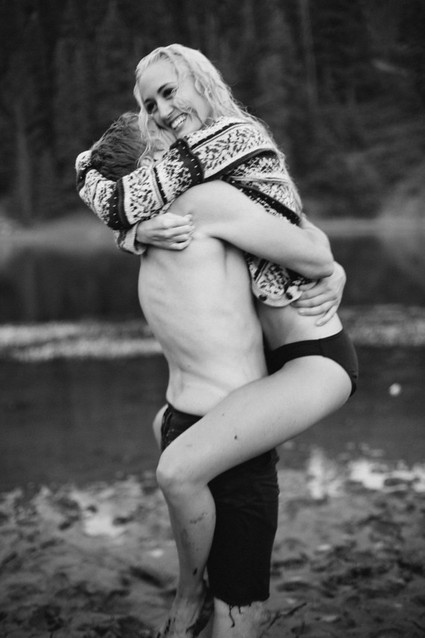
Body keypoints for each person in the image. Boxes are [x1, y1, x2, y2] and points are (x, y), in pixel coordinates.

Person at [76, 44, 358, 638]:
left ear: (201, 83)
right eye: (150, 106)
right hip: (277, 361)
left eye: (168, 92)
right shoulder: (201, 187)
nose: (160, 113)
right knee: (173, 435)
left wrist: (332, 271)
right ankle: (201, 593)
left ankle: (191, 598)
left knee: (180, 470)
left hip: (313, 358)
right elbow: (126, 201)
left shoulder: (227, 158)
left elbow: (304, 238)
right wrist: (133, 234)